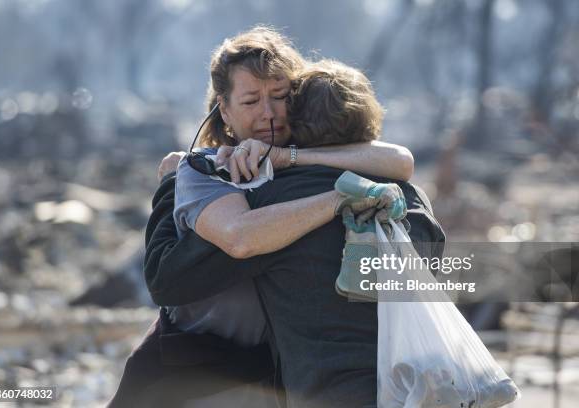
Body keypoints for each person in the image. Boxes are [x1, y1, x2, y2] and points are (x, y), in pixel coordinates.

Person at [109, 26, 443, 407]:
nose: (268, 113)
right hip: (191, 368)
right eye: (251, 100)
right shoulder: (211, 170)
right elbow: (235, 240)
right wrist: (337, 198)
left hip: (268, 376)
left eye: (280, 96)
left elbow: (401, 160)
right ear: (225, 109)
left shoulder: (301, 165)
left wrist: (295, 158)